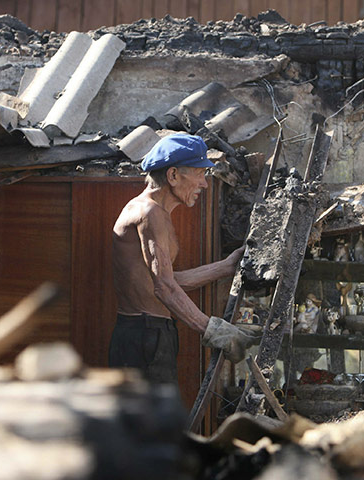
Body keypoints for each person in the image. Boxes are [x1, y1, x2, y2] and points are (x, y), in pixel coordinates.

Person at [109, 133, 260, 384]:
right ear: (173, 175)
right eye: (200, 174)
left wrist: (227, 266)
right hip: (143, 337)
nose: (205, 184)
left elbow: (166, 281)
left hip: (149, 335)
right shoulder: (149, 212)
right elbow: (165, 288)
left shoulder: (154, 212)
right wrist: (217, 332)